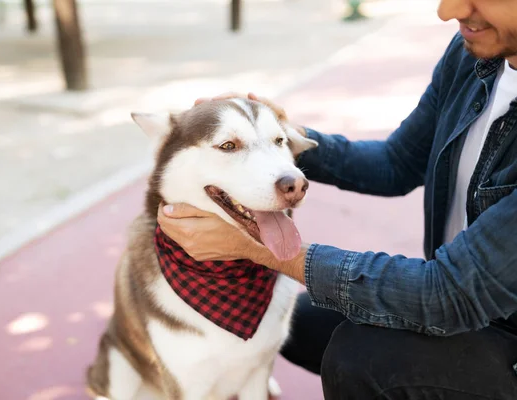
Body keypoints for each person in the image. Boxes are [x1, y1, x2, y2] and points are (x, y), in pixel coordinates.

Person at [157, 0, 517, 398]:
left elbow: (447, 294)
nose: (448, 11)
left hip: (496, 325)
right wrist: (272, 140)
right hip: (462, 298)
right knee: (300, 324)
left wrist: (256, 249)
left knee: (360, 356)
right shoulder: (475, 53)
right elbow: (395, 163)